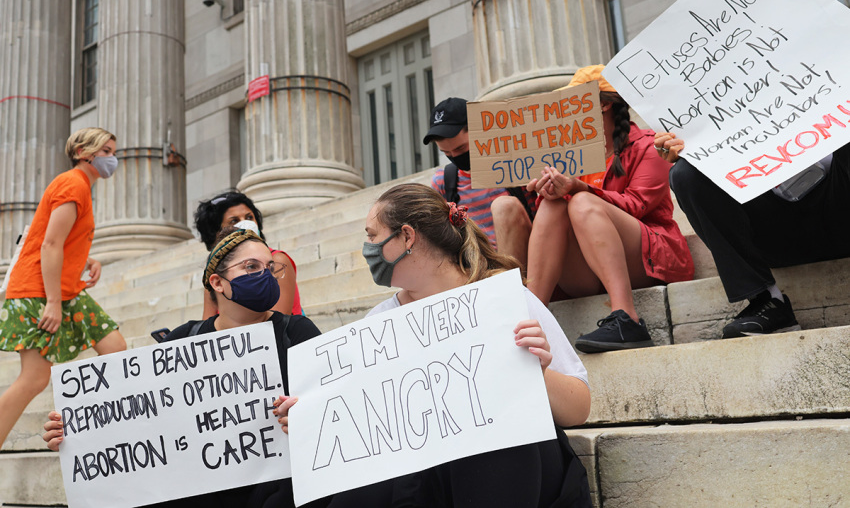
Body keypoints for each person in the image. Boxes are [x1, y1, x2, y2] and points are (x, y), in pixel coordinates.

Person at [275, 183, 592, 507]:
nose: (367, 246)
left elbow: (579, 409)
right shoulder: (378, 325)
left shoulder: (505, 301)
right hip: (422, 478)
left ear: (407, 237)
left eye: (372, 235)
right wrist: (312, 419)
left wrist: (538, 372)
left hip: (514, 466)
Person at [44, 227, 325, 508]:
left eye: (270, 267)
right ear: (217, 282)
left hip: (276, 488)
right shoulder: (183, 341)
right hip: (199, 491)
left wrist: (303, 414)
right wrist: (77, 434)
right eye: (251, 266)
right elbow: (137, 414)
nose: (264, 274)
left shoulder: (297, 332)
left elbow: (327, 405)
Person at [651, 0, 845, 338]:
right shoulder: (713, 106)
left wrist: (809, 5)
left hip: (840, 209)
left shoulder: (827, 58)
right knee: (687, 174)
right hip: (773, 232)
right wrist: (684, 146)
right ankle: (766, 300)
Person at [525, 66, 694, 353]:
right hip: (589, 265)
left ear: (603, 103)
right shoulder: (570, 153)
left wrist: (579, 188)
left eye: (573, 100)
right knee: (553, 205)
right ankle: (531, 319)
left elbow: (638, 205)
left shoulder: (648, 145)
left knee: (581, 201)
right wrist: (548, 190)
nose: (565, 109)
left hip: (649, 258)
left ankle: (627, 318)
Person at [0, 128, 127, 448]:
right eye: (107, 150)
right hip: (39, 291)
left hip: (65, 290)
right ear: (85, 152)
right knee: (34, 379)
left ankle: (101, 428)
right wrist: (53, 302)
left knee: (114, 349)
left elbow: (62, 239)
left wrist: (88, 259)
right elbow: (51, 244)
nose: (113, 157)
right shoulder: (73, 184)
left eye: (113, 151)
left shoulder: (80, 186)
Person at [426, 97, 536, 266]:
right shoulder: (443, 182)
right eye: (446, 152)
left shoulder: (516, 167)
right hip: (478, 270)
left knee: (505, 206)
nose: (455, 157)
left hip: (524, 262)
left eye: (461, 148)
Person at [194, 189, 303, 317]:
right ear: (217, 233)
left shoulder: (276, 261)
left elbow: (277, 322)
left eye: (249, 217)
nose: (246, 223)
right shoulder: (215, 277)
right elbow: (208, 325)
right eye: (234, 221)